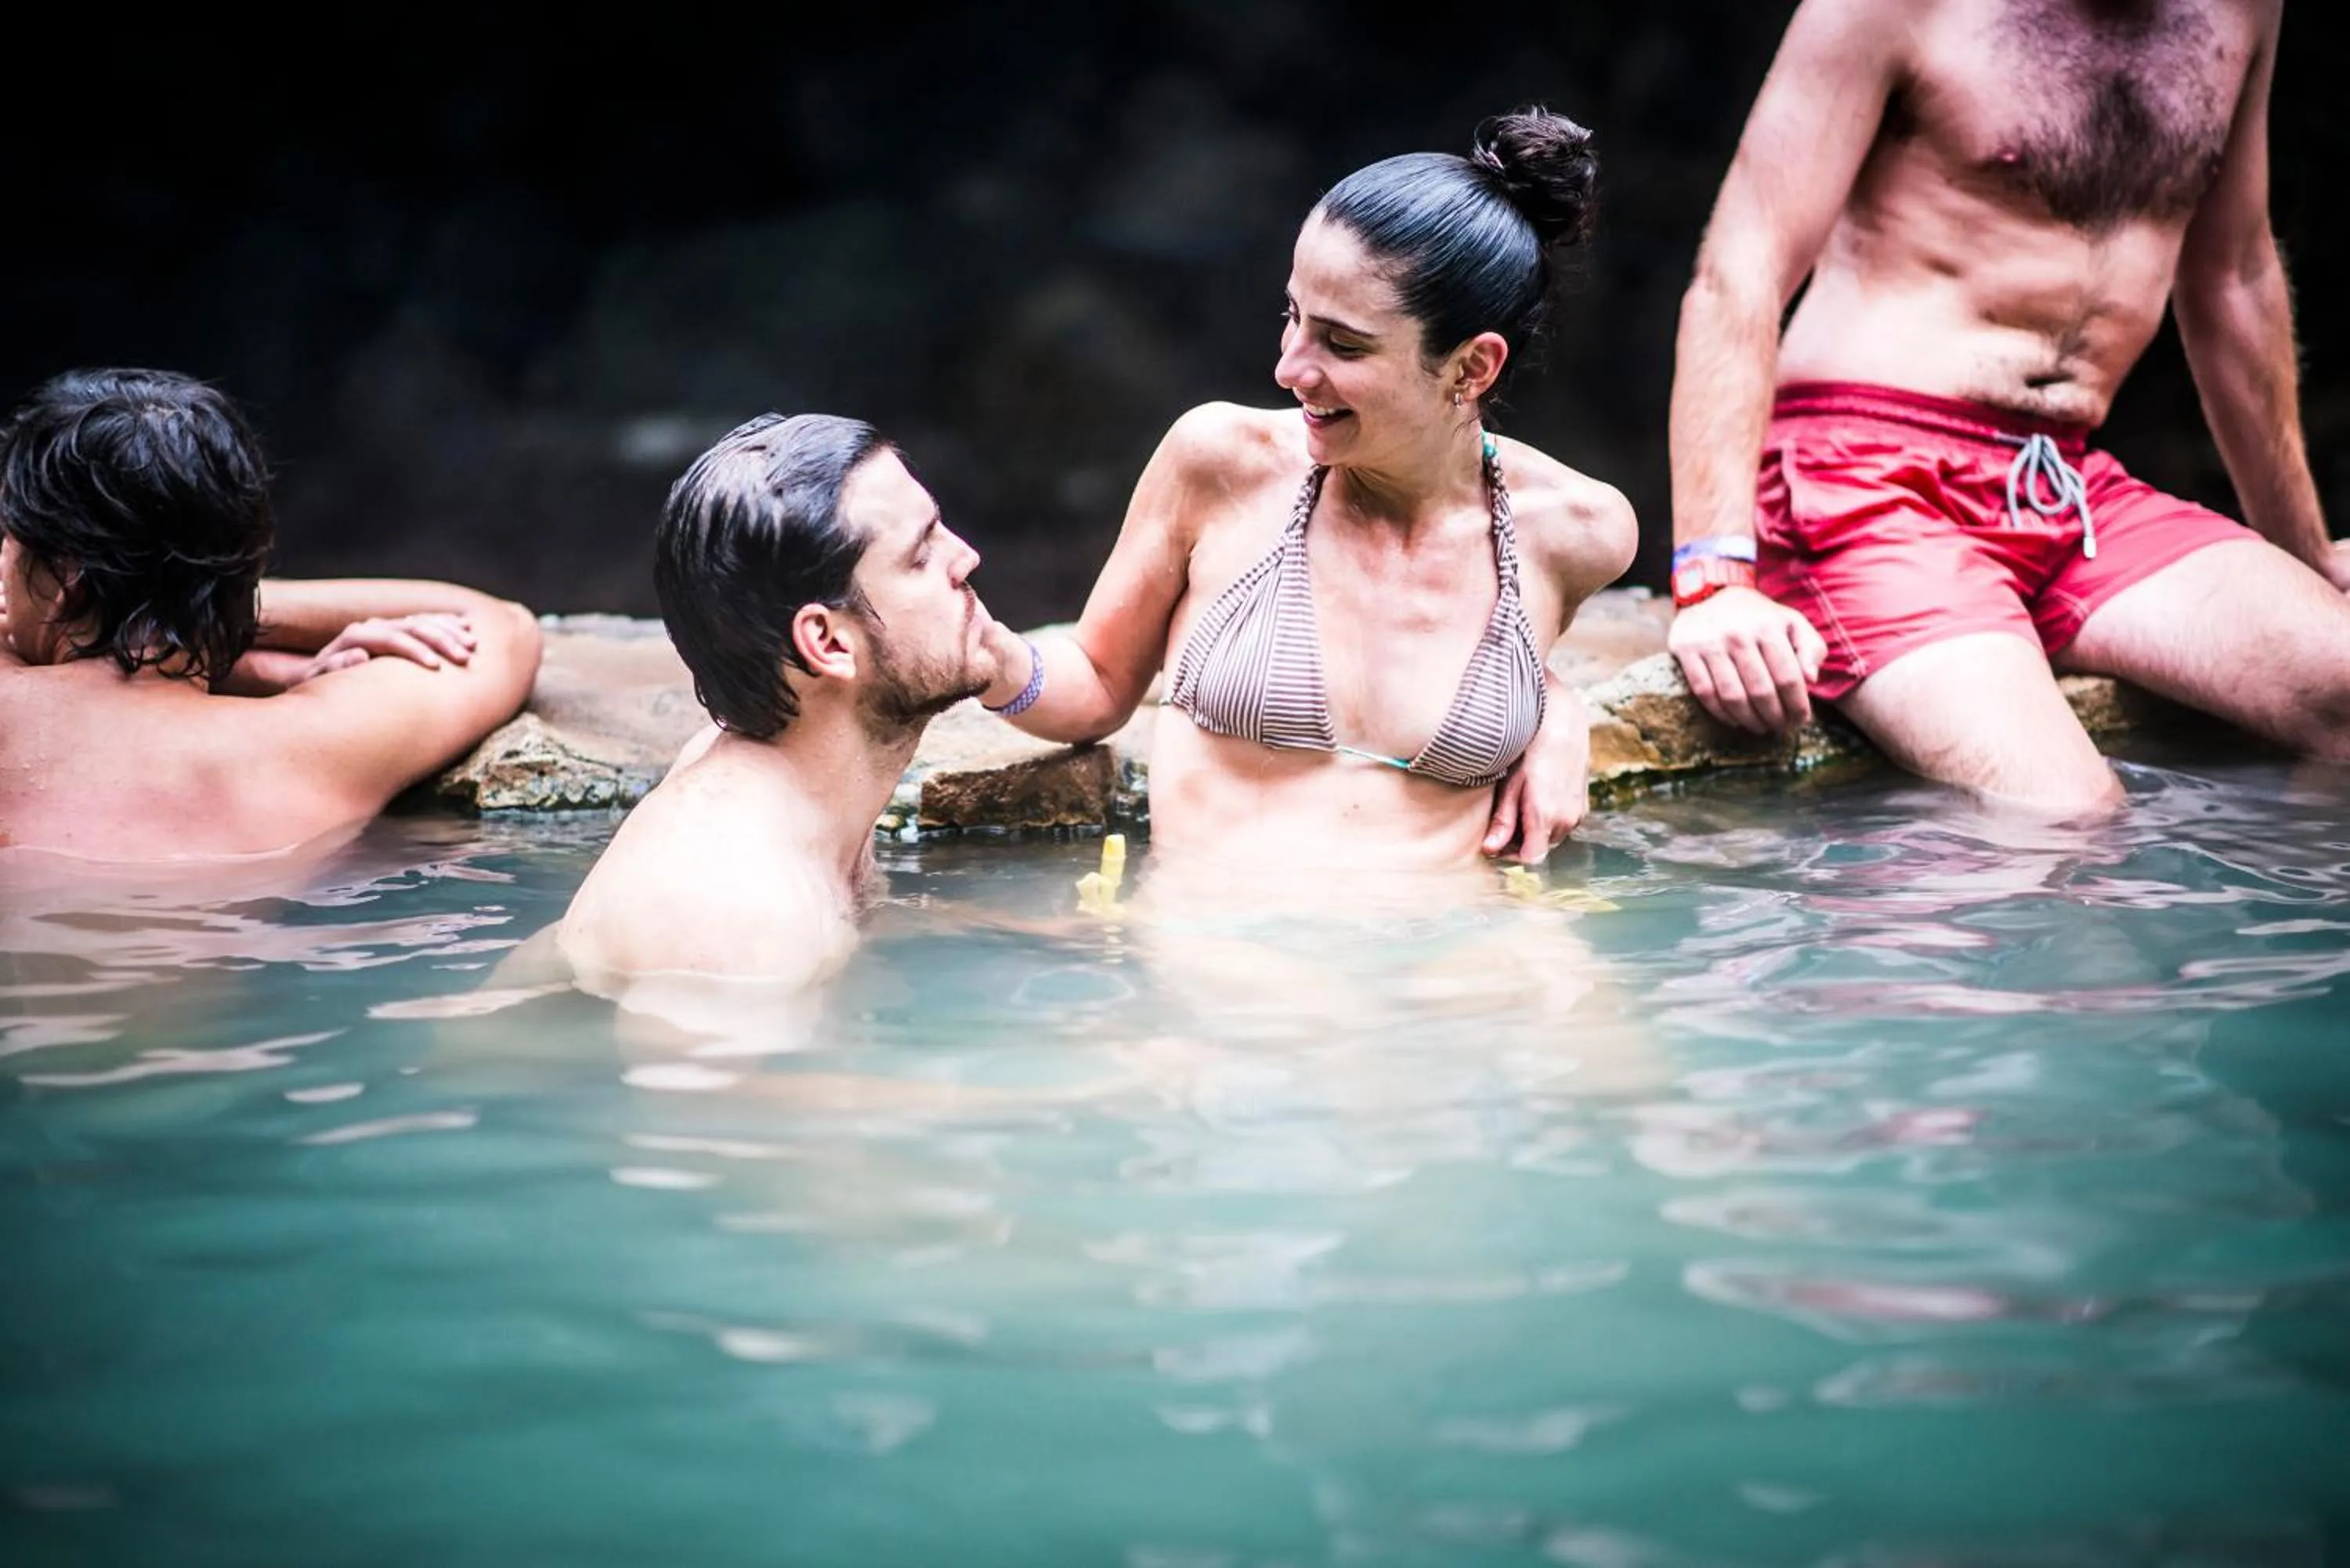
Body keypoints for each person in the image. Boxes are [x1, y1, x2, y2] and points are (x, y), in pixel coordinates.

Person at [1664, 0, 2349, 815]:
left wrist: (2305, 550)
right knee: (2066, 817)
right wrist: (1713, 580)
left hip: (2067, 484)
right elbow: (1741, 266)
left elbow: (2234, 276)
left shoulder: (2244, 13)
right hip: (1862, 481)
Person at [973, 106, 1639, 900]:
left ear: (1472, 368)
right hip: (1219, 954)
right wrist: (980, 651)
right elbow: (1098, 682)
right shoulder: (1222, 463)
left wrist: (1555, 711)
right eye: (1293, 315)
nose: (1290, 367)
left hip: (1463, 963)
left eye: (1343, 344)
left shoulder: (1576, 531)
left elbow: (1465, 664)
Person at [552, 411, 1013, 1010]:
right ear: (826, 643)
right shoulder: (733, 912)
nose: (967, 557)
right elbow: (695, 1104)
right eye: (920, 556)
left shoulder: (808, 789)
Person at [0, 366, 544, 861]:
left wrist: (166, 606)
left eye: (9, 541)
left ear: (66, 580)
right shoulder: (302, 747)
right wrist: (202, 607)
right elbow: (502, 627)